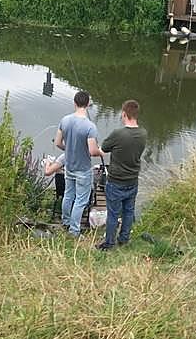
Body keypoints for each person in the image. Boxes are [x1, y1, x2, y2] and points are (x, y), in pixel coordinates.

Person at [96, 100, 147, 251]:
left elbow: (103, 149)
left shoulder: (118, 133)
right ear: (137, 114)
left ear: (124, 114)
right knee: (128, 211)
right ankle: (124, 239)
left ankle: (109, 243)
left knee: (112, 214)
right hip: (132, 180)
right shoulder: (143, 133)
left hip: (116, 182)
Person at [54, 91, 103, 238]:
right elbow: (92, 151)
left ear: (74, 103)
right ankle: (74, 231)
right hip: (83, 170)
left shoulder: (65, 120)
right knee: (81, 200)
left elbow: (57, 143)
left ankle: (66, 222)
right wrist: (101, 152)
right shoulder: (90, 127)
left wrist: (68, 149)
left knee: (68, 195)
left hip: (69, 167)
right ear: (88, 104)